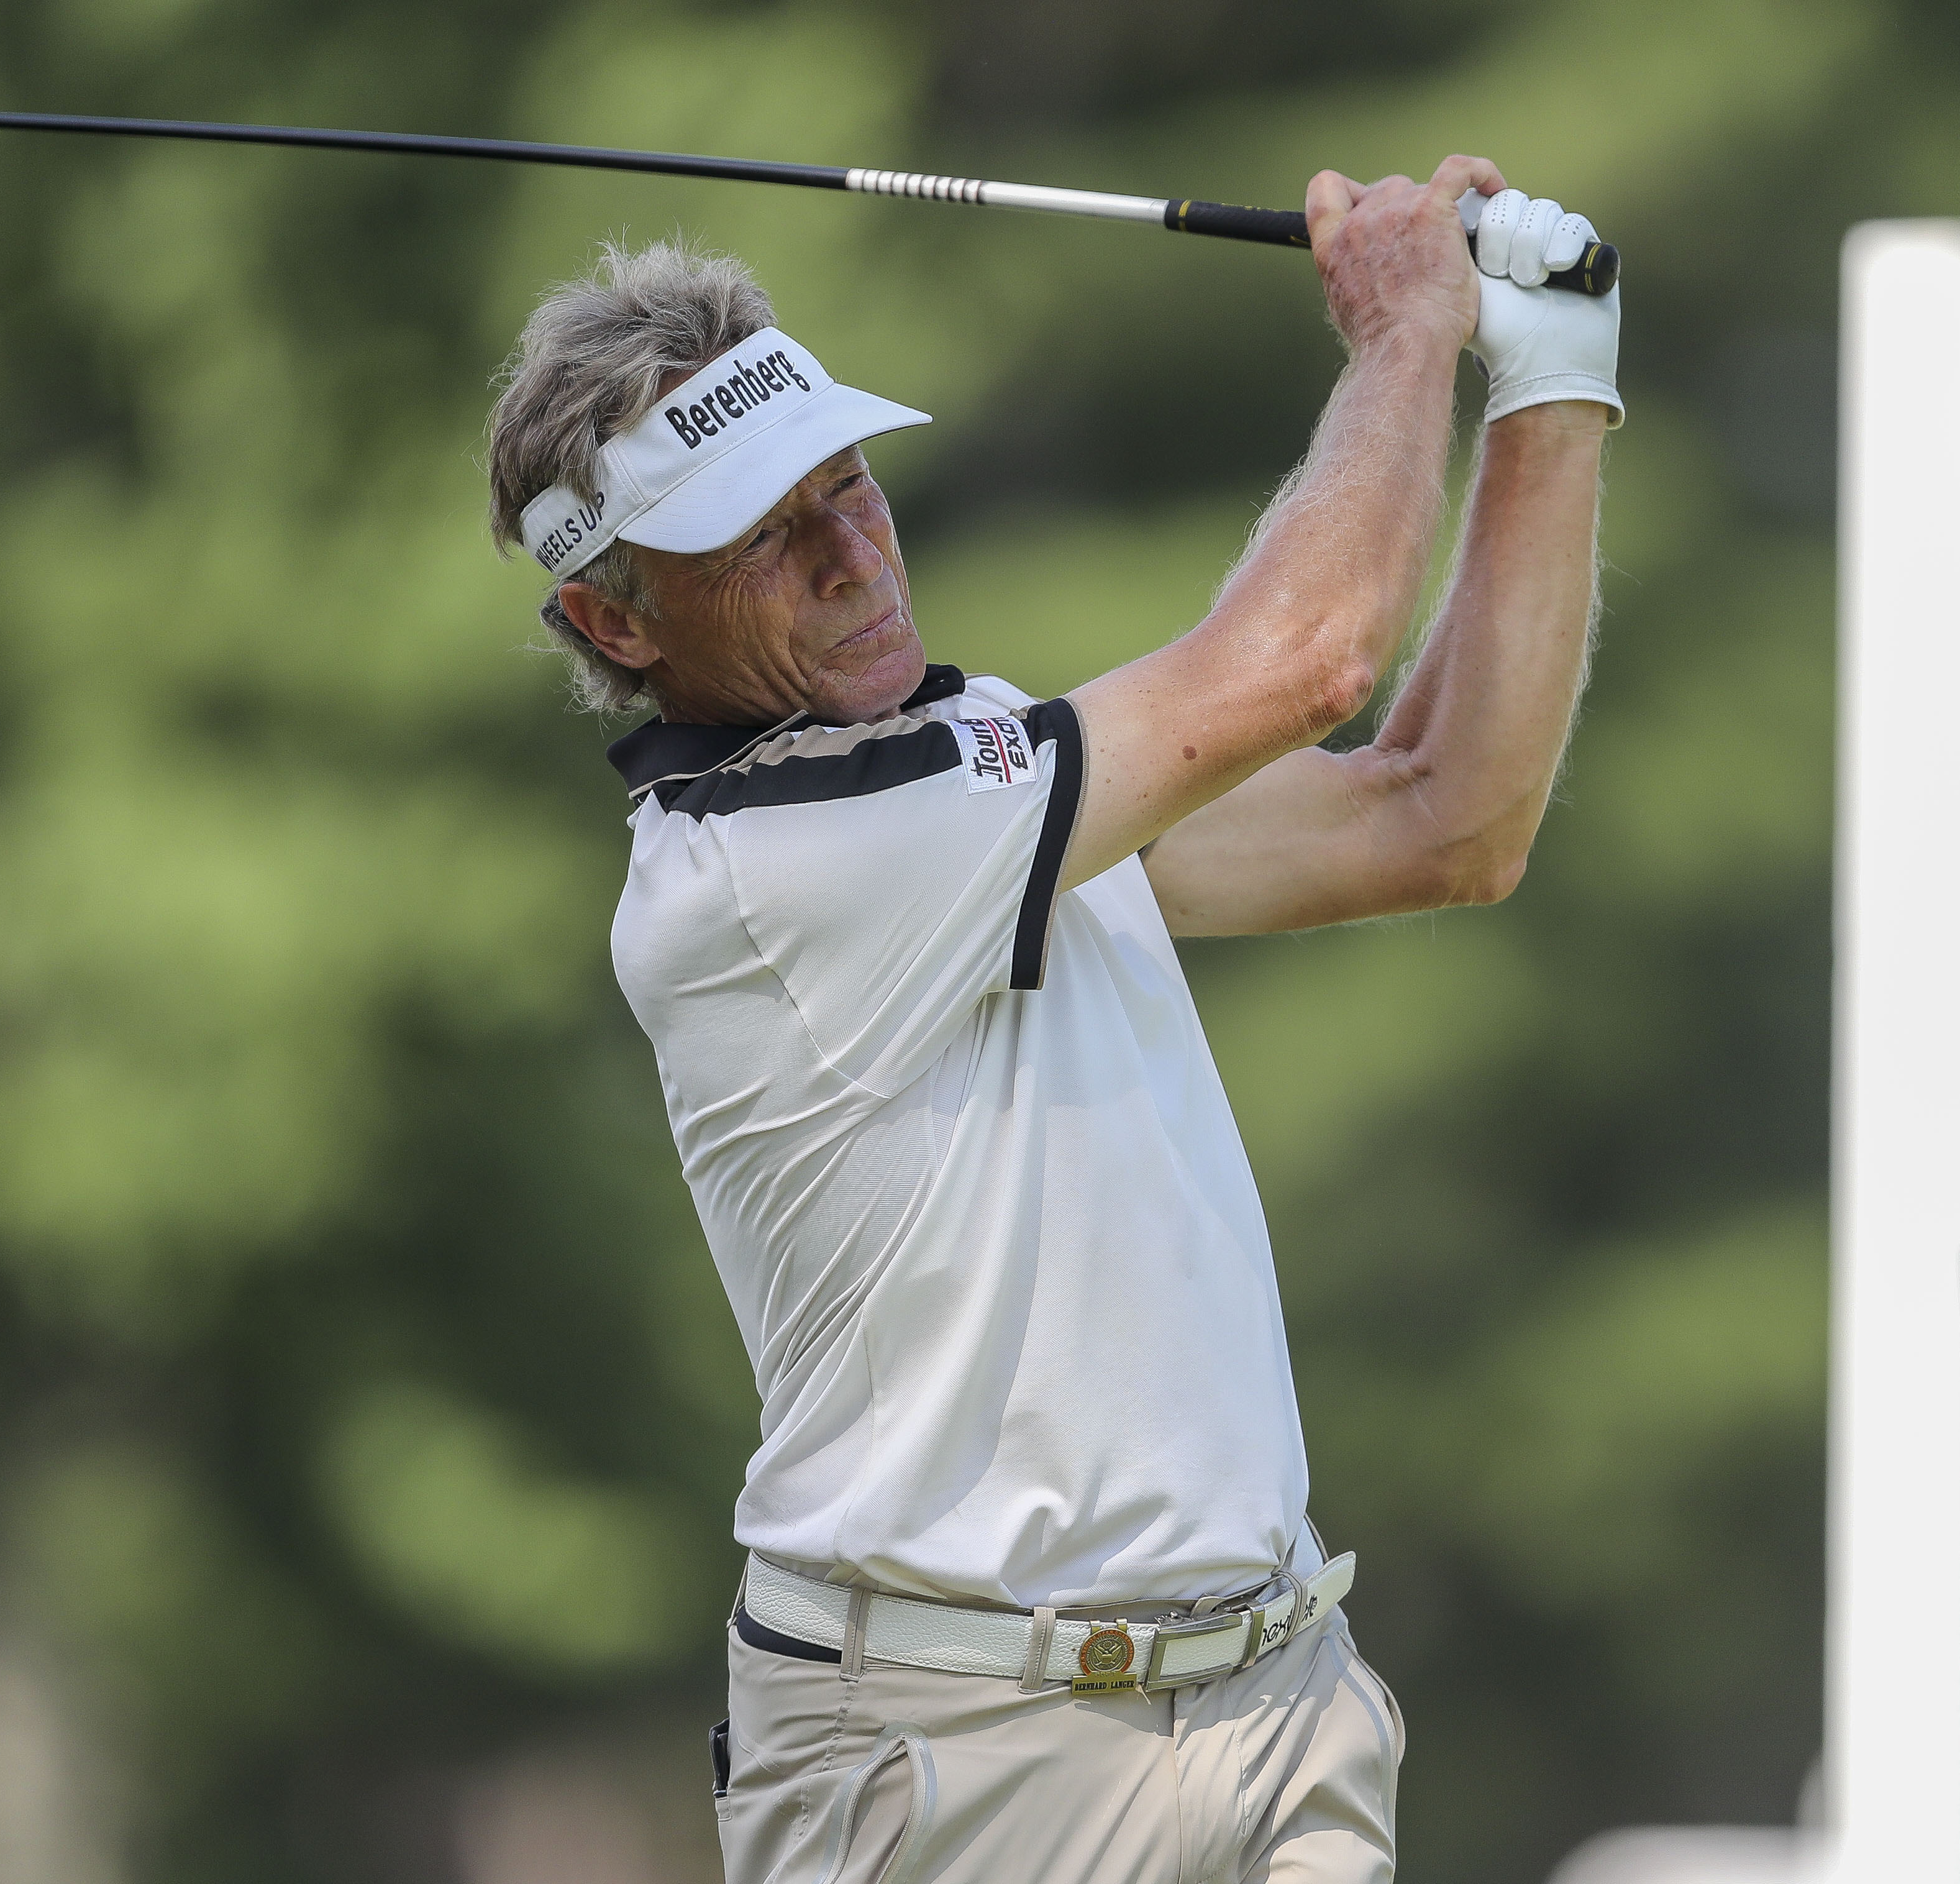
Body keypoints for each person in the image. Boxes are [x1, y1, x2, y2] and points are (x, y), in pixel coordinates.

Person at [483, 154, 1616, 1884]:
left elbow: (1441, 816)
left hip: (1271, 1706)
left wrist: (1546, 383)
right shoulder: (762, 871)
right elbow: (1310, 659)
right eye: (763, 533)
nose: (845, 552)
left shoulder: (981, 768)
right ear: (609, 615)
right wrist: (1402, 335)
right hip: (961, 1761)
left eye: (847, 485)